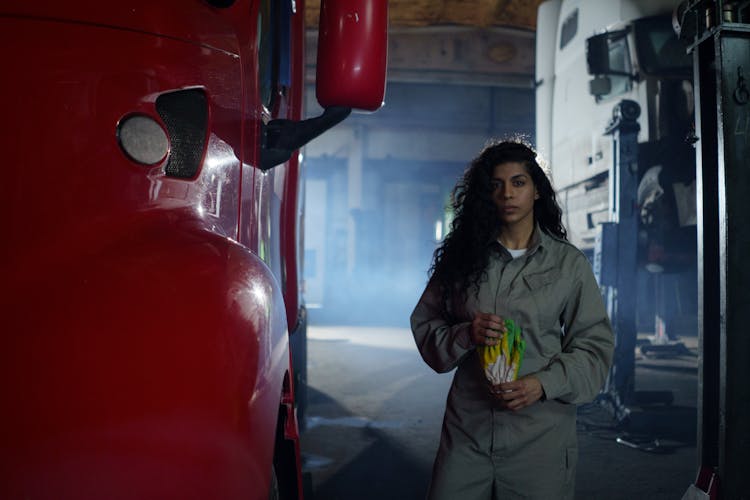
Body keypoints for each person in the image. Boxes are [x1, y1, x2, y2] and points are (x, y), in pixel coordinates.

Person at [411, 139, 614, 499]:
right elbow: (426, 325)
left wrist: (542, 383)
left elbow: (595, 350)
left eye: (518, 182)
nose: (507, 193)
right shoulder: (463, 259)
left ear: (537, 190)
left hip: (540, 438)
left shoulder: (568, 265)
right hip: (468, 431)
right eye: (496, 185)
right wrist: (465, 334)